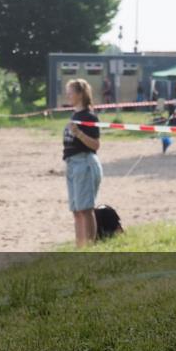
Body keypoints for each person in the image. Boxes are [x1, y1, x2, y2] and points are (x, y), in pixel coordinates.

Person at [62, 79, 102, 247]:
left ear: (80, 94)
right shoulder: (75, 115)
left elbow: (95, 145)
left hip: (84, 163)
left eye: (70, 92)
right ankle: (80, 246)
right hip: (72, 164)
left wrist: (78, 134)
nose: (68, 95)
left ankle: (90, 247)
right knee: (76, 210)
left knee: (85, 209)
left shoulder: (89, 117)